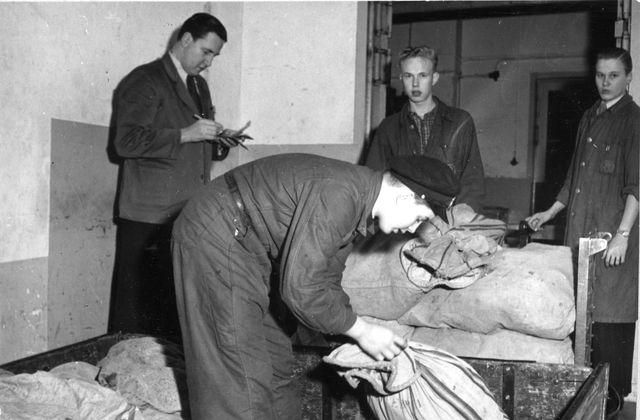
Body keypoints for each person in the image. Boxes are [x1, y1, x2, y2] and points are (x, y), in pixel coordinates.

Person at [172, 153, 459, 419]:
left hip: (248, 243)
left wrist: (350, 327)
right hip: (219, 232)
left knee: (275, 364)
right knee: (238, 376)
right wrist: (361, 331)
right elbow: (302, 289)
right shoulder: (340, 195)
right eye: (419, 218)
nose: (413, 229)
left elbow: (326, 278)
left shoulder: (359, 201)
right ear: (404, 196)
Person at [110, 13, 240, 339]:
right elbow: (125, 142)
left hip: (183, 213)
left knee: (171, 311)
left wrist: (218, 141)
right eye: (205, 52)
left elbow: (193, 144)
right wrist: (187, 134)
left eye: (214, 56)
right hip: (147, 216)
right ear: (185, 40)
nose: (208, 63)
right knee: (136, 316)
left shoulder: (198, 86)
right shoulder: (145, 79)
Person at [526, 47, 639, 411]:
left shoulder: (633, 120)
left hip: (611, 242)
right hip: (580, 237)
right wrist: (548, 213)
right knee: (580, 325)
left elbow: (636, 186)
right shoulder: (590, 116)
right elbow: (572, 179)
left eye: (614, 76)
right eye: (600, 75)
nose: (605, 82)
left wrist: (623, 235)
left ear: (629, 78)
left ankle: (612, 408)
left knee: (609, 323)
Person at [365, 45, 485, 212]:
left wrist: (461, 217)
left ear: (434, 78)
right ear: (401, 78)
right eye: (408, 76)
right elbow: (373, 182)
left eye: (422, 75)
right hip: (403, 219)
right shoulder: (388, 128)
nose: (415, 83)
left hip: (449, 219)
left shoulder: (460, 122)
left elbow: (472, 181)